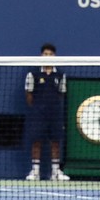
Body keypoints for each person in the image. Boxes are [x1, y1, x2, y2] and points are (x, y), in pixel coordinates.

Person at [23, 43, 69, 182]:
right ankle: (35, 172)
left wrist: (52, 106)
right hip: (38, 114)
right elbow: (29, 95)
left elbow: (61, 93)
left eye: (50, 54)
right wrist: (39, 108)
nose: (48, 56)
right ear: (41, 55)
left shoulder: (60, 75)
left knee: (55, 141)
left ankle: (55, 172)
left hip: (55, 113)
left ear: (54, 56)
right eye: (45, 54)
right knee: (37, 141)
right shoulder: (33, 74)